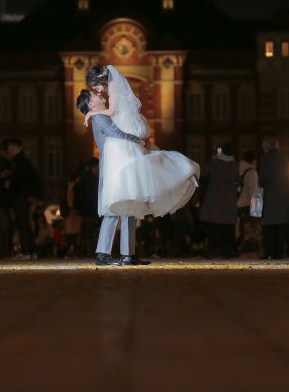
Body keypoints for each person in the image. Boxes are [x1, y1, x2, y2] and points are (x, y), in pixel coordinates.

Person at [83, 64, 199, 220]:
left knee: (137, 164)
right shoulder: (114, 82)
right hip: (130, 121)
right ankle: (182, 172)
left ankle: (183, 170)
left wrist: (91, 112)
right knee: (147, 158)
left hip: (126, 124)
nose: (98, 90)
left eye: (96, 87)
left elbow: (112, 112)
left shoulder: (112, 85)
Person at [76, 89, 151, 266]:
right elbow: (117, 134)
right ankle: (103, 254)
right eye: (94, 95)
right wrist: (139, 140)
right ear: (91, 105)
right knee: (113, 210)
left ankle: (127, 255)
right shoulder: (100, 118)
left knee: (128, 209)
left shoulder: (100, 115)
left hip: (119, 167)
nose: (99, 94)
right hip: (114, 169)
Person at [200, 142, 240, 260]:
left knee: (213, 228)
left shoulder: (215, 163)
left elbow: (202, 173)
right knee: (227, 228)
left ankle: (210, 252)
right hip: (229, 199)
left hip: (215, 198)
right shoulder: (236, 166)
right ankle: (225, 252)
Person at [5, 137, 39, 260]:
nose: (10, 148)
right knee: (25, 223)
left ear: (19, 147)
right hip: (24, 195)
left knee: (22, 223)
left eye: (13, 146)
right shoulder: (22, 160)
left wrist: (11, 182)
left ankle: (25, 251)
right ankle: (31, 251)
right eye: (10, 146)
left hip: (19, 195)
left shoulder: (19, 161)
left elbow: (21, 178)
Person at [258, 139, 289, 260]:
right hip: (283, 197)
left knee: (268, 227)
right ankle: (280, 252)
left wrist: (260, 182)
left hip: (270, 196)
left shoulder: (266, 160)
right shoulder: (284, 160)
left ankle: (268, 252)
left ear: (267, 148)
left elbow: (265, 177)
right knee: (280, 227)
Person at [75, 157, 101, 255]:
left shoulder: (82, 178)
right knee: (92, 232)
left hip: (84, 210)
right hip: (91, 210)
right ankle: (88, 251)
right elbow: (93, 197)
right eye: (98, 166)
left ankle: (81, 251)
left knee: (85, 232)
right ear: (93, 167)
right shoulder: (91, 180)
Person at [0, 139, 13, 258]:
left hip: (13, 197)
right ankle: (5, 250)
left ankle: (8, 250)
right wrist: (2, 179)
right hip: (5, 198)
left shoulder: (16, 162)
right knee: (5, 225)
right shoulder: (0, 163)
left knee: (11, 225)